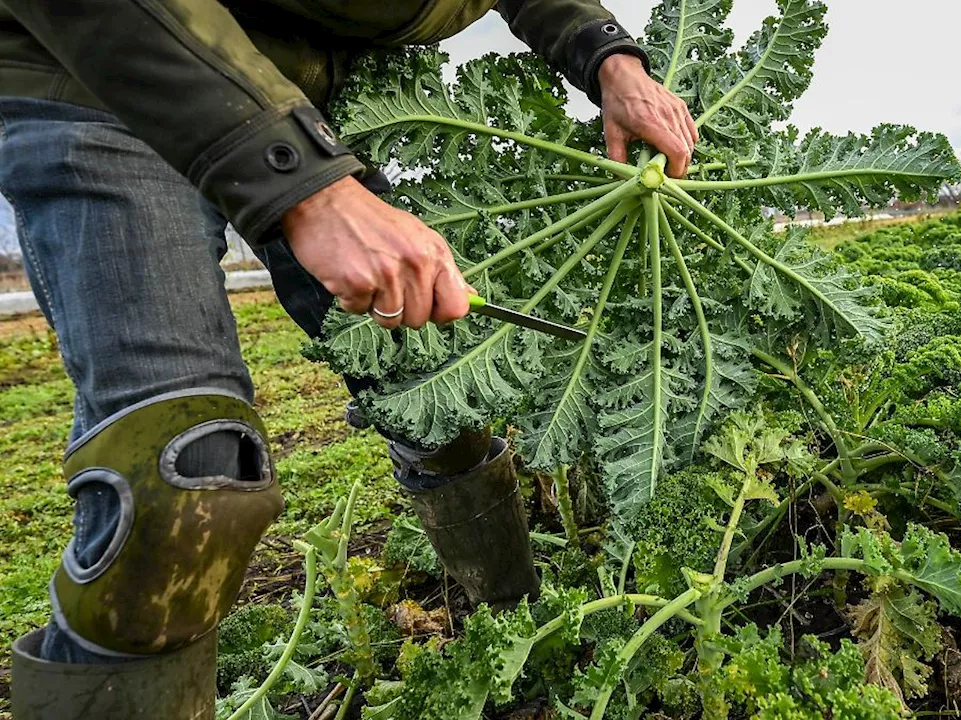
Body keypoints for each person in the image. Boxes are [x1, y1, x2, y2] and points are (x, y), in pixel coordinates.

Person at [0, 1, 697, 717]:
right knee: (182, 473)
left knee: (437, 393)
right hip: (104, 74)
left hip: (292, 104)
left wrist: (608, 56)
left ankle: (516, 643)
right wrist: (302, 185)